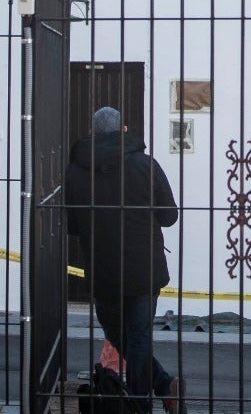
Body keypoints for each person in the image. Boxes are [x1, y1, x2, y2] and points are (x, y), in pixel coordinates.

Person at [67, 106, 180, 413]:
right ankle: (150, 396)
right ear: (125, 130)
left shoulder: (76, 170)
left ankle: (157, 388)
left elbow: (72, 225)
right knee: (139, 337)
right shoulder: (145, 165)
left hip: (103, 271)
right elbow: (170, 216)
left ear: (93, 133)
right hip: (144, 270)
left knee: (116, 332)